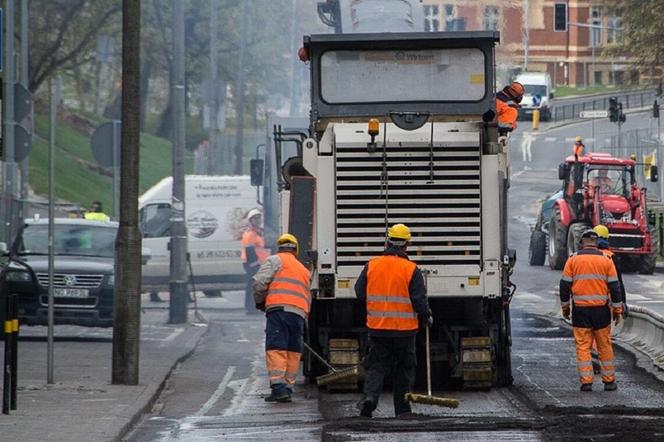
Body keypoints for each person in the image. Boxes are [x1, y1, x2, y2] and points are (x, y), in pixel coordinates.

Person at [354, 223, 433, 418]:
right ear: (406, 245)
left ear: (387, 242)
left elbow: (359, 292)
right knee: (404, 369)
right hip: (405, 331)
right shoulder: (411, 269)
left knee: (376, 366)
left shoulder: (371, 265)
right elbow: (418, 300)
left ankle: (370, 399)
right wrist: (427, 316)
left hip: (378, 329)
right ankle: (403, 409)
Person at [560, 229, 623, 392]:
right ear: (596, 243)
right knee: (604, 345)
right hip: (601, 311)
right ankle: (609, 381)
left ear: (582, 243)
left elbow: (564, 286)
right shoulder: (606, 260)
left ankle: (586, 382)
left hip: (580, 312)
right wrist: (617, 310)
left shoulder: (572, 260)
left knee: (583, 346)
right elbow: (615, 288)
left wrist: (565, 308)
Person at [252, 233, 310, 403]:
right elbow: (308, 297)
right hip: (298, 313)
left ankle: (278, 389)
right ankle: (287, 387)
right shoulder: (303, 270)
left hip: (278, 310)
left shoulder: (274, 260)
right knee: (293, 350)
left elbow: (259, 283)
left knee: (276, 347)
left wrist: (260, 302)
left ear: (279, 248)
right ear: (296, 250)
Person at [242, 209, 269, 313]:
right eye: (255, 218)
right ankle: (251, 307)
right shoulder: (250, 234)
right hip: (253, 264)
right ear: (251, 220)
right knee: (252, 286)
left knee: (255, 285)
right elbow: (249, 249)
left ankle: (253, 307)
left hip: (257, 263)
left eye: (259, 217)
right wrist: (254, 263)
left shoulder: (257, 233)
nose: (258, 220)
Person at [495, 81, 524, 146]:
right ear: (513, 93)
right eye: (519, 96)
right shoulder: (511, 107)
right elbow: (504, 125)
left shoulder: (498, 96)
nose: (520, 98)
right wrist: (511, 127)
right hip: (495, 129)